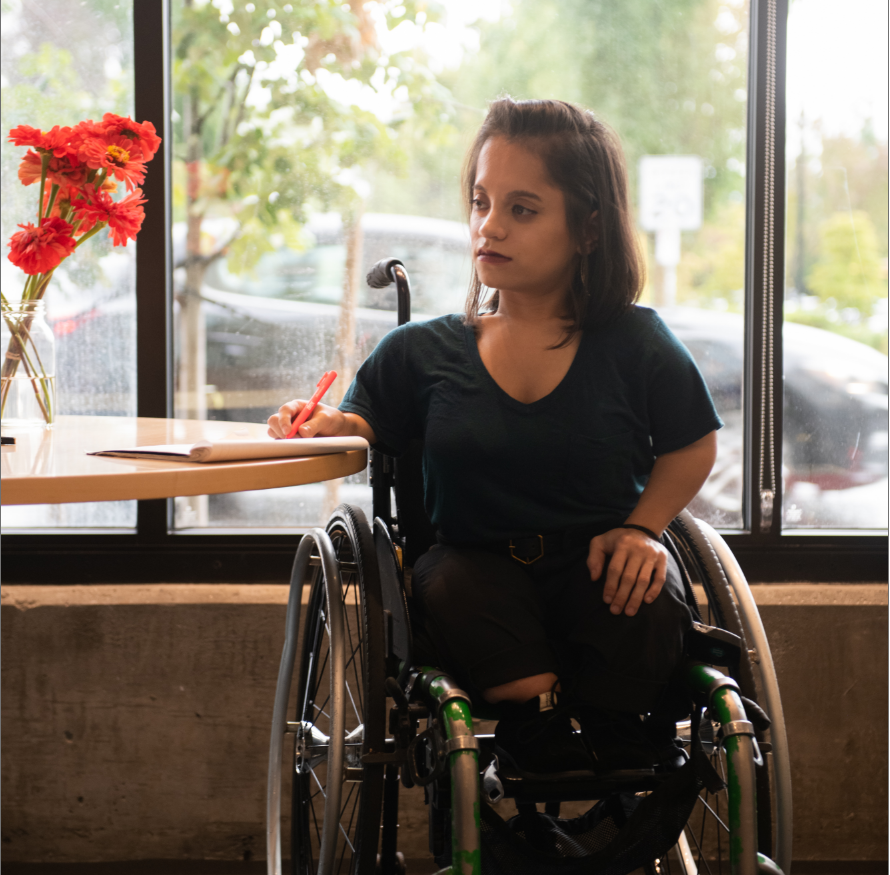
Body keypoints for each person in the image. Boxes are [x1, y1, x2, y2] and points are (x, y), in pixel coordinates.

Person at [268, 98, 722, 779]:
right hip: (474, 582)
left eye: (522, 208)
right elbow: (365, 426)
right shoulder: (420, 352)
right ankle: (533, 725)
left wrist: (643, 529)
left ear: (590, 228)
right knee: (449, 580)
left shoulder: (637, 342)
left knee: (644, 594)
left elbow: (693, 444)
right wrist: (326, 424)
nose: (489, 226)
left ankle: (622, 731)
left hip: (598, 567)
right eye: (481, 203)